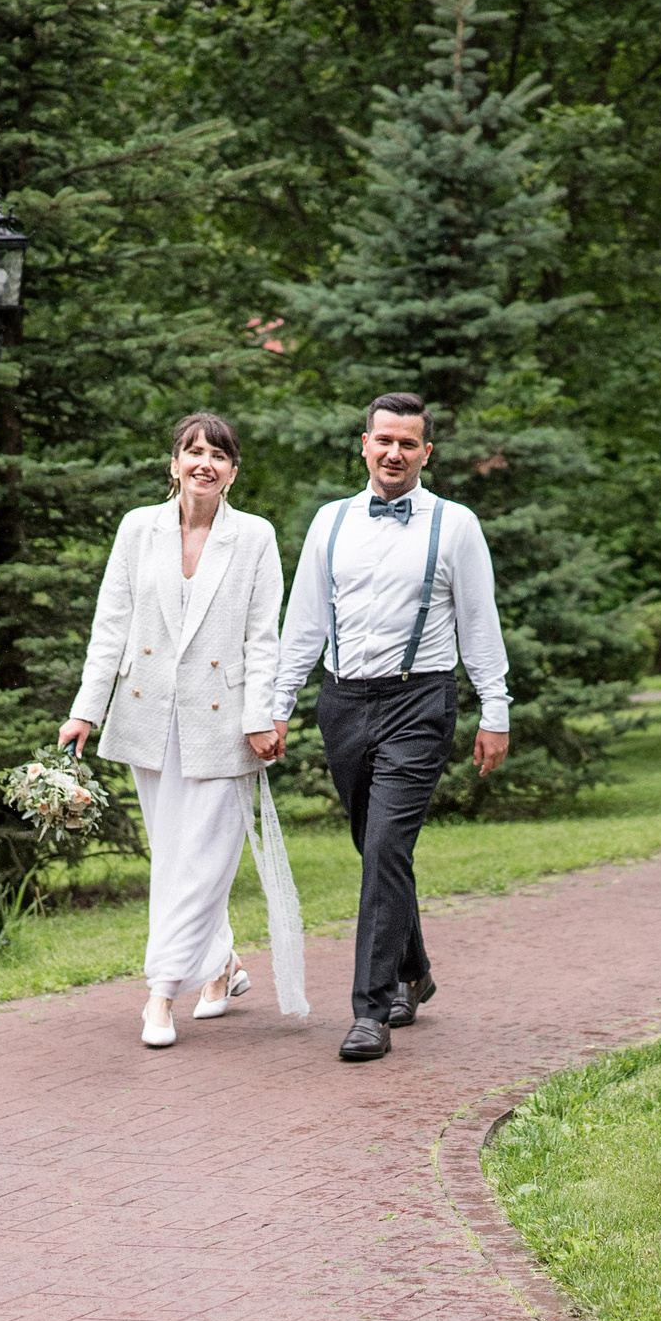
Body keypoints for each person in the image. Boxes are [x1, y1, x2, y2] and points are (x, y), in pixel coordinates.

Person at [271, 392, 510, 1063]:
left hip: (419, 702)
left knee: (383, 848)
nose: (395, 453)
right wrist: (279, 705)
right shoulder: (330, 521)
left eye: (408, 443)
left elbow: (479, 622)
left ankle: (369, 1011)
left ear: (426, 452)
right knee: (374, 846)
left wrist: (496, 710)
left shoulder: (456, 525)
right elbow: (305, 621)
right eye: (385, 441)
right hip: (343, 702)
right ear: (366, 444)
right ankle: (416, 967)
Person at [64, 414, 286, 1048]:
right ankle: (220, 964)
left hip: (225, 722)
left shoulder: (255, 538)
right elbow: (111, 624)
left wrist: (260, 717)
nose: (204, 463)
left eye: (218, 455)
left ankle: (160, 994)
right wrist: (87, 709)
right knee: (173, 855)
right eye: (194, 452)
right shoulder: (139, 528)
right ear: (174, 464)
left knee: (202, 861)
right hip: (148, 712)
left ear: (233, 472)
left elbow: (261, 637)